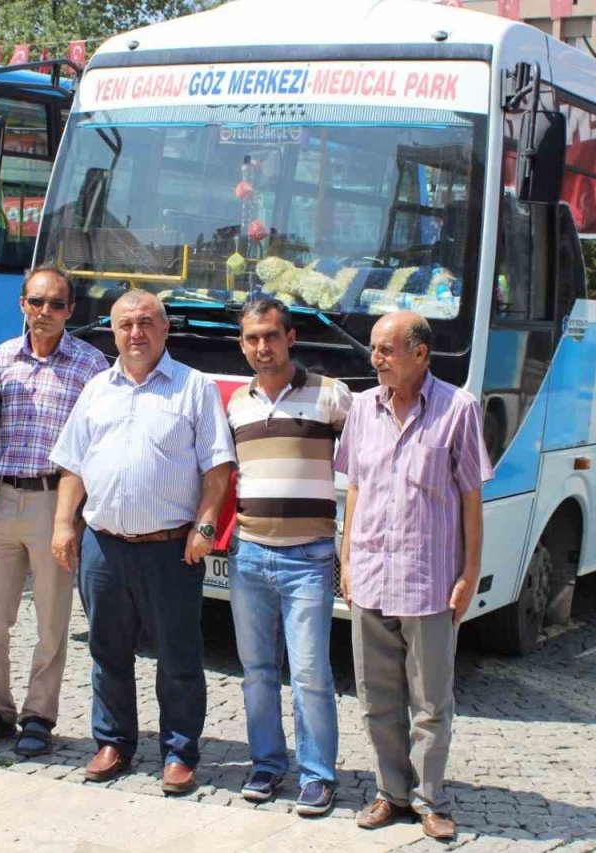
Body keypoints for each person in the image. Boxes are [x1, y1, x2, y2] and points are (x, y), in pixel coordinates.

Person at [48, 289, 235, 794]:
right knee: (108, 651)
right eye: (127, 323)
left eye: (147, 322)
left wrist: (206, 524)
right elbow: (72, 465)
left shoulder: (193, 388)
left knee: (178, 655)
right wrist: (65, 524)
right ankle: (114, 743)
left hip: (170, 549)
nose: (137, 332)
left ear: (166, 328)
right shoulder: (96, 389)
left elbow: (217, 468)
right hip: (103, 546)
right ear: (113, 331)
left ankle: (179, 752)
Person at [337, 310, 492, 840]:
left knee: (430, 703)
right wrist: (347, 561)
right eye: (373, 350)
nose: (374, 359)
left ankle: (431, 800)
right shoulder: (361, 408)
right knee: (376, 699)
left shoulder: (458, 409)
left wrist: (469, 572)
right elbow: (355, 486)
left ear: (419, 353)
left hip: (428, 582)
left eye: (385, 350)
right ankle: (390, 793)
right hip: (371, 577)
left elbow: (471, 496)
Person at [0, 266, 108, 755]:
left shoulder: (90, 365)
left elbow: (95, 444)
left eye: (57, 304)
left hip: (54, 503)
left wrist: (77, 515)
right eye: (37, 302)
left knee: (52, 618)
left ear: (70, 310)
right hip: (1, 498)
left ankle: (39, 715)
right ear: (22, 304)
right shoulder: (1, 358)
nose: (46, 312)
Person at [225, 297, 352, 816]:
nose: (262, 347)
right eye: (252, 339)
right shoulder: (236, 404)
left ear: (290, 338)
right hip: (250, 554)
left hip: (309, 558)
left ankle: (319, 775)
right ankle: (267, 765)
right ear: (243, 344)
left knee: (309, 673)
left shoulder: (331, 397)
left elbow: (365, 462)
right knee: (255, 671)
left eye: (271, 336)